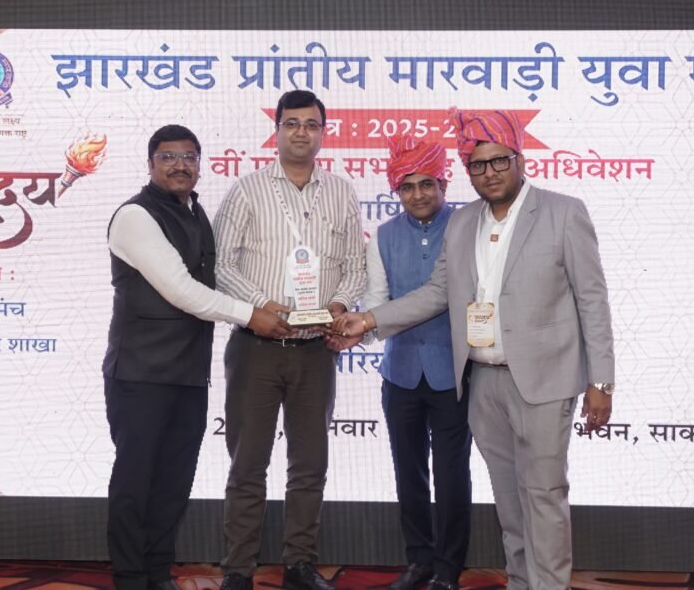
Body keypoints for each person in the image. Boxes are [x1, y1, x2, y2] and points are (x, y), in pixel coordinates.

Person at [334, 109, 615, 590]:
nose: (489, 172)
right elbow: (436, 292)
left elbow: (593, 299)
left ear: (520, 159)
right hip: (483, 382)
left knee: (543, 495)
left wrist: (601, 381)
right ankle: (522, 582)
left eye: (499, 160)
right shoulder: (463, 222)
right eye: (478, 165)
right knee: (509, 502)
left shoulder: (563, 212)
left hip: (544, 380)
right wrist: (369, 320)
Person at [103, 124, 293, 590]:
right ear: (150, 163)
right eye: (168, 157)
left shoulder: (195, 212)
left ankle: (156, 572)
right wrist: (253, 316)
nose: (180, 165)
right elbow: (182, 290)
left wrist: (266, 304)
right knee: (135, 484)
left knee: (173, 482)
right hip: (140, 375)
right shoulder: (135, 216)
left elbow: (215, 280)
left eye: (189, 157)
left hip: (187, 374)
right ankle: (130, 578)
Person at [213, 90, 366, 590]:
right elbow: (220, 264)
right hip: (256, 348)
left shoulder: (341, 192)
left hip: (315, 351)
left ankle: (299, 564)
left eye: (312, 125)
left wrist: (339, 305)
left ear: (323, 133)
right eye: (292, 123)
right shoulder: (247, 189)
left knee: (310, 466)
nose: (302, 132)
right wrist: (260, 305)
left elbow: (356, 267)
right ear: (276, 130)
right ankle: (239, 569)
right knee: (247, 465)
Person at [362, 136, 472, 590]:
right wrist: (353, 331)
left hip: (454, 375)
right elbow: (376, 301)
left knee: (451, 475)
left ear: (444, 184)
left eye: (427, 184)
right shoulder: (384, 236)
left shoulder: (467, 226)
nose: (418, 194)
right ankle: (419, 561)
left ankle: (448, 569)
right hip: (401, 373)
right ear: (396, 190)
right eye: (407, 187)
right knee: (408, 472)